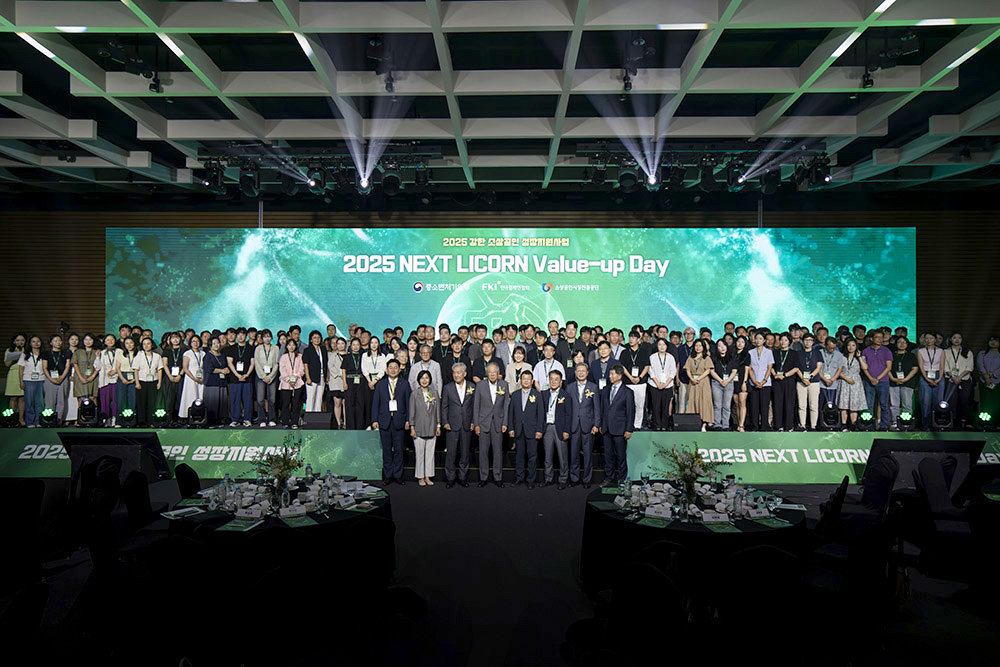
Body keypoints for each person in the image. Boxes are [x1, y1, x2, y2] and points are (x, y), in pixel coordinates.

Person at [372, 358, 411, 485]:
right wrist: (374, 420)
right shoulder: (380, 384)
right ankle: (388, 475)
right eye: (391, 367)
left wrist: (408, 420)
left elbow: (408, 404)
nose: (393, 370)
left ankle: (398, 475)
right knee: (387, 450)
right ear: (386, 370)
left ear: (399, 370)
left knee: (399, 450)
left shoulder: (405, 384)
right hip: (384, 421)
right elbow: (375, 403)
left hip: (399, 421)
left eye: (396, 367)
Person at [472, 362, 509, 487]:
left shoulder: (504, 384)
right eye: (490, 372)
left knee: (498, 451)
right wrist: (476, 424)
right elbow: (476, 406)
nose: (492, 374)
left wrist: (505, 422)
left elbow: (506, 405)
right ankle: (483, 477)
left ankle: (498, 477)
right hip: (483, 423)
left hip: (498, 422)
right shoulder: (480, 385)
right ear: (486, 374)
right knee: (483, 451)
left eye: (494, 372)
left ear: (498, 373)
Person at [441, 362, 476, 487]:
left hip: (467, 424)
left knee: (465, 453)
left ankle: (462, 477)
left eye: (459, 372)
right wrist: (445, 422)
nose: (456, 375)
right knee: (451, 453)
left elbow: (474, 406)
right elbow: (444, 406)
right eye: (454, 373)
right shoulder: (447, 387)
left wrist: (473, 422)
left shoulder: (472, 386)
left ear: (464, 374)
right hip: (452, 425)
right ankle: (450, 478)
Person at [507, 369, 543, 487]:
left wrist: (539, 430)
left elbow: (540, 414)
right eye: (524, 379)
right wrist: (511, 428)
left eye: (528, 379)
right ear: (521, 380)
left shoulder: (537, 395)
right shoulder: (515, 395)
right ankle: (519, 477)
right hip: (518, 430)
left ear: (532, 381)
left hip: (532, 430)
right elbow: (511, 413)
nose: (526, 381)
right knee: (519, 455)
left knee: (532, 456)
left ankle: (531, 480)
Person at [568, 362, 601, 487]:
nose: (581, 373)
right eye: (578, 371)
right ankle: (574, 478)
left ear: (587, 373)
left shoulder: (593, 387)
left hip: (588, 426)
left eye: (583, 371)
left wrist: (596, 424)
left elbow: (597, 408)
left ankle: (587, 479)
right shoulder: (569, 387)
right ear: (575, 373)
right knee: (574, 454)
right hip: (574, 425)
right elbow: (567, 409)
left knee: (587, 455)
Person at [600, 365, 634, 485]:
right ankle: (609, 478)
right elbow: (602, 409)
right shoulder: (605, 390)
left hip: (620, 429)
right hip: (606, 429)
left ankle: (621, 479)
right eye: (609, 374)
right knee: (608, 457)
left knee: (620, 457)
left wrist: (629, 429)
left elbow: (630, 412)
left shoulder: (628, 392)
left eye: (612, 374)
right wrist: (601, 424)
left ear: (619, 376)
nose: (610, 376)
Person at [409, 370, 441, 486]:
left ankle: (428, 476)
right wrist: (412, 428)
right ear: (418, 380)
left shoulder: (434, 393)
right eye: (422, 378)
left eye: (426, 378)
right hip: (419, 428)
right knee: (420, 454)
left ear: (430, 379)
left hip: (432, 427)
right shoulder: (414, 394)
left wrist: (438, 425)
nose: (424, 380)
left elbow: (437, 411)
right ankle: (420, 477)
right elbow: (412, 412)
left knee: (430, 455)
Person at [861, 330, 892, 430]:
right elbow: (864, 367)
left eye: (881, 337)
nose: (879, 339)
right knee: (868, 405)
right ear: (871, 339)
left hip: (883, 382)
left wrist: (878, 378)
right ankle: (868, 425)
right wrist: (871, 378)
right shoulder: (866, 351)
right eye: (877, 337)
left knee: (884, 405)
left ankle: (884, 426)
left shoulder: (886, 351)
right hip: (869, 381)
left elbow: (888, 367)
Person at [223, 328, 254, 426]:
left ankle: (247, 419)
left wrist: (247, 374)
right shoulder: (231, 348)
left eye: (243, 334)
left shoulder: (251, 348)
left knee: (248, 400)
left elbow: (252, 363)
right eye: (239, 335)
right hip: (234, 378)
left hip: (247, 378)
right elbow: (230, 363)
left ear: (246, 336)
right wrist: (237, 375)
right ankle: (235, 419)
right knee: (235, 399)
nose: (240, 337)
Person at [943, 331, 974, 428]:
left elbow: (969, 367)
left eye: (959, 338)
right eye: (954, 338)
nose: (957, 340)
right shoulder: (946, 351)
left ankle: (965, 421)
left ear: (962, 339)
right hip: (950, 379)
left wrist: (959, 377)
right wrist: (953, 377)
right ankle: (953, 421)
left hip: (964, 379)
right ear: (950, 339)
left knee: (964, 400)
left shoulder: (968, 351)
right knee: (952, 401)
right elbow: (945, 367)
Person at [887, 335, 918, 428]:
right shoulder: (891, 355)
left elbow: (915, 369)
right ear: (896, 344)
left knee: (907, 405)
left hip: (908, 383)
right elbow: (887, 368)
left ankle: (906, 423)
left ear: (907, 344)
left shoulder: (911, 355)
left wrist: (905, 379)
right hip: (893, 383)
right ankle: (895, 422)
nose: (902, 344)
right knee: (894, 404)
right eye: (899, 342)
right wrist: (893, 379)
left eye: (904, 342)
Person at [621, 330, 650, 431]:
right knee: (627, 405)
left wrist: (639, 378)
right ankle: (628, 424)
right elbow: (622, 367)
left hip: (640, 383)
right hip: (628, 382)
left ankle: (637, 425)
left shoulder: (643, 352)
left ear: (638, 340)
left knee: (640, 405)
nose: (631, 339)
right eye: (630, 337)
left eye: (633, 338)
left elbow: (647, 366)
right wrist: (631, 378)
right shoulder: (624, 352)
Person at [683, 339, 715, 429]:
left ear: (703, 347)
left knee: (704, 401)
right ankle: (693, 423)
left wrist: (699, 379)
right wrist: (692, 379)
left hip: (703, 382)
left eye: (700, 346)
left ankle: (704, 424)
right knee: (692, 401)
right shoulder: (690, 358)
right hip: (693, 382)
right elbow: (687, 369)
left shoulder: (706, 358)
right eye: (696, 346)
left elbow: (708, 370)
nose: (698, 348)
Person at [647, 337, 677, 431]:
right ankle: (656, 425)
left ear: (667, 346)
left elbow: (673, 371)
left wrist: (665, 384)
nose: (662, 346)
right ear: (657, 346)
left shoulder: (671, 357)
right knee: (655, 406)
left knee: (665, 406)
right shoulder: (652, 357)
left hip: (667, 385)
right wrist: (657, 383)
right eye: (659, 344)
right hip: (654, 385)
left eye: (664, 344)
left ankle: (664, 425)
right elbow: (650, 371)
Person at [917, 332, 945, 429]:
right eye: (927, 338)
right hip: (925, 375)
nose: (929, 340)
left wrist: (939, 379)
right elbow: (921, 367)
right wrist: (927, 379)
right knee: (925, 402)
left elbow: (942, 366)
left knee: (938, 401)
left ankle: (937, 424)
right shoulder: (921, 351)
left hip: (938, 375)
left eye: (931, 338)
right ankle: (926, 426)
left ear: (935, 339)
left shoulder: (941, 351)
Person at [41, 334, 71, 425]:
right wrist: (51, 379)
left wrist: (62, 377)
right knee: (50, 401)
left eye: (59, 341)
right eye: (55, 341)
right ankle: (49, 420)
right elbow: (44, 368)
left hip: (63, 378)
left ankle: (58, 421)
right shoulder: (46, 353)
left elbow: (67, 366)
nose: (58, 343)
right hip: (50, 379)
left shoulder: (66, 352)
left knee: (61, 401)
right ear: (51, 343)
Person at [132, 336, 162, 427]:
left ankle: (151, 421)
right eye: (144, 344)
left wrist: (159, 382)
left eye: (148, 344)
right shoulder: (139, 355)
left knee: (152, 402)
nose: (146, 346)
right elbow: (136, 370)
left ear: (152, 345)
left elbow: (159, 370)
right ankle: (141, 421)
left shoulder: (157, 356)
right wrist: (137, 382)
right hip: (142, 381)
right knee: (141, 402)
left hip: (153, 381)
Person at [796, 333, 823, 430]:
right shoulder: (798, 353)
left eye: (810, 340)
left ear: (813, 342)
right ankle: (802, 425)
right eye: (806, 340)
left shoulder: (817, 353)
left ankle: (813, 426)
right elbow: (796, 368)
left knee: (813, 405)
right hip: (801, 381)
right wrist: (803, 378)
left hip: (814, 382)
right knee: (801, 405)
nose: (808, 342)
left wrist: (810, 377)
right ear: (803, 341)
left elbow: (818, 367)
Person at [747, 333, 774, 431]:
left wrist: (764, 381)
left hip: (765, 383)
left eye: (760, 339)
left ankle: (764, 426)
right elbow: (749, 368)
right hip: (753, 382)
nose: (758, 340)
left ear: (764, 341)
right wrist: (754, 381)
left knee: (764, 406)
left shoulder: (768, 352)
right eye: (756, 338)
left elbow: (769, 368)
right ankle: (754, 426)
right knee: (754, 406)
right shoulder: (750, 352)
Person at [838, 339, 867, 428]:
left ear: (856, 347)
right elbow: (838, 371)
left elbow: (865, 368)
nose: (851, 347)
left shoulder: (860, 358)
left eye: (853, 345)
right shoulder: (842, 357)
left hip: (855, 383)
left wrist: (859, 357)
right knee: (844, 404)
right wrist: (846, 379)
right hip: (844, 381)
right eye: (849, 345)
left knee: (854, 404)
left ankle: (853, 424)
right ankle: (843, 425)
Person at [254, 329, 280, 427]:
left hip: (272, 375)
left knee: (272, 399)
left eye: (268, 336)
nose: (267, 339)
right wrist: (263, 376)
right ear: (262, 338)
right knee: (260, 399)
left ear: (271, 337)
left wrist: (270, 376)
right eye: (265, 337)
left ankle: (272, 419)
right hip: (260, 375)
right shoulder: (258, 348)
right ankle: (262, 419)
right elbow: (257, 363)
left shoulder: (276, 348)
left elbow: (277, 364)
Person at [277, 338, 305, 429]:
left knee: (296, 404)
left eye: (293, 345)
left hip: (297, 383)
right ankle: (285, 422)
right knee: (285, 403)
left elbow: (302, 369)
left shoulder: (300, 356)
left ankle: (294, 422)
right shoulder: (283, 357)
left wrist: (295, 378)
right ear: (286, 346)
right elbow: (282, 369)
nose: (291, 347)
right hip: (286, 383)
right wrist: (289, 379)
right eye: (289, 345)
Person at [709, 338, 736, 430]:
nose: (722, 347)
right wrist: (721, 381)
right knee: (717, 405)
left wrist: (727, 381)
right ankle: (717, 424)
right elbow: (712, 371)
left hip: (729, 383)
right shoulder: (713, 358)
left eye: (724, 345)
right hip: (716, 383)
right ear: (717, 348)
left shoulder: (732, 357)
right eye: (719, 346)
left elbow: (734, 371)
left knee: (727, 406)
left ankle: (725, 425)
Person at [18, 335, 45, 427]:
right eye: (33, 341)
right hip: (28, 380)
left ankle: (38, 421)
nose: (36, 343)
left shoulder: (44, 354)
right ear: (30, 343)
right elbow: (21, 369)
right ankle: (30, 422)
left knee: (40, 402)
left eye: (38, 341)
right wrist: (21, 381)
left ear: (41, 343)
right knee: (29, 402)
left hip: (41, 380)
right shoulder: (25, 354)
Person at [202, 338, 229, 426]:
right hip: (211, 383)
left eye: (217, 343)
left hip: (221, 382)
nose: (216, 345)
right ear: (210, 345)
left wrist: (226, 369)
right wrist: (222, 370)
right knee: (212, 403)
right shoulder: (208, 356)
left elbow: (225, 365)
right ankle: (211, 422)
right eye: (214, 343)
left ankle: (219, 420)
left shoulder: (222, 355)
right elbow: (209, 369)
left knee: (221, 402)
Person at [179, 334, 205, 421]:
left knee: (200, 397)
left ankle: (200, 416)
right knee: (191, 396)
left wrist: (201, 379)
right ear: (190, 343)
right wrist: (194, 379)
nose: (195, 343)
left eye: (197, 341)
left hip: (201, 379)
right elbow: (185, 368)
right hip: (191, 379)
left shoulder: (203, 353)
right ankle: (188, 416)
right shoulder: (187, 353)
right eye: (193, 341)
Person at [161, 332, 185, 425]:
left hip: (181, 376)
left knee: (180, 397)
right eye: (173, 338)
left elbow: (185, 365)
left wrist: (180, 375)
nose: (175, 340)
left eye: (177, 338)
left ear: (180, 339)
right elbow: (165, 364)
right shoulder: (167, 351)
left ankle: (180, 418)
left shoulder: (184, 350)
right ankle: (169, 418)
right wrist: (170, 376)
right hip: (169, 377)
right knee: (170, 397)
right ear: (169, 340)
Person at [342, 337, 366, 429]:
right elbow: (343, 370)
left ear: (360, 346)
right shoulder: (347, 357)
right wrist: (344, 383)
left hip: (361, 382)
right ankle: (350, 426)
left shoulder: (363, 356)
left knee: (360, 403)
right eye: (353, 345)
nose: (355, 347)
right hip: (349, 381)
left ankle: (360, 426)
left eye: (357, 345)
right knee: (349, 404)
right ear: (351, 346)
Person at [95, 334, 118, 426]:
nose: (110, 341)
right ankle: (106, 418)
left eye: (112, 339)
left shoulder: (119, 351)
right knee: (105, 401)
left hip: (116, 379)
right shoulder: (102, 352)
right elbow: (97, 367)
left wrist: (115, 370)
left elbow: (122, 363)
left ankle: (115, 418)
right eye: (108, 340)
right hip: (105, 380)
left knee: (116, 400)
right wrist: (97, 357)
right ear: (104, 342)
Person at [301, 330, 326, 414]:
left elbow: (325, 364)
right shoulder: (307, 350)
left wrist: (327, 376)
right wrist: (308, 378)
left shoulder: (323, 349)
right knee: (311, 398)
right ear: (311, 340)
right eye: (314, 338)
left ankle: (317, 417)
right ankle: (309, 417)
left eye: (318, 337)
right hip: (311, 377)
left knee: (319, 398)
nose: (317, 339)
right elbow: (305, 365)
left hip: (322, 376)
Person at [71, 333, 99, 407]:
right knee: (81, 399)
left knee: (93, 398)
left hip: (93, 377)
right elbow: (75, 364)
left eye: (90, 339)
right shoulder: (77, 352)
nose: (88, 341)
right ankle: (81, 414)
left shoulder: (97, 352)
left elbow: (99, 366)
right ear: (83, 341)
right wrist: (80, 377)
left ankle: (94, 414)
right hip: (80, 377)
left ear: (93, 341)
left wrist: (92, 376)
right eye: (86, 339)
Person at [5, 333, 26, 426]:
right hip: (13, 374)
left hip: (24, 374)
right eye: (17, 340)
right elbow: (7, 364)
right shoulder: (9, 350)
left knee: (22, 398)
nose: (20, 342)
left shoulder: (27, 350)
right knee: (13, 398)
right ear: (14, 342)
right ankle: (12, 418)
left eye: (22, 340)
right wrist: (15, 355)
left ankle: (21, 419)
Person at [819, 335, 845, 410]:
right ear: (825, 345)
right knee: (819, 406)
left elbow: (840, 369)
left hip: (833, 384)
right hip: (821, 384)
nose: (832, 349)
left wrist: (832, 380)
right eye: (830, 348)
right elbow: (817, 369)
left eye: (834, 348)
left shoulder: (839, 355)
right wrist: (825, 379)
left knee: (831, 406)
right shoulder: (819, 353)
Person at [977, 336, 1000, 419]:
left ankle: (995, 421)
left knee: (996, 402)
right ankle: (984, 421)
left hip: (997, 381)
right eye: (991, 340)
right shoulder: (982, 353)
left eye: (996, 340)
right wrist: (986, 376)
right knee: (984, 401)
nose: (993, 342)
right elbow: (980, 365)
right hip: (983, 381)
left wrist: (992, 374)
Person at [676, 327, 696, 416]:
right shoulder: (680, 348)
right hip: (682, 378)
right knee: (682, 401)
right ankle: (681, 420)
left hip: (695, 379)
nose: (688, 335)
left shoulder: (697, 347)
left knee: (694, 401)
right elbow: (678, 364)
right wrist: (677, 378)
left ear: (694, 335)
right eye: (686, 334)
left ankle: (694, 421)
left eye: (690, 333)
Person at [327, 337, 346, 429]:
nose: (340, 345)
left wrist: (345, 375)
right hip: (336, 381)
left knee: (345, 403)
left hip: (346, 382)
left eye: (342, 343)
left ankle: (346, 422)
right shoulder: (333, 355)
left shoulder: (349, 355)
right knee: (337, 403)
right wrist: (340, 374)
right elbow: (330, 366)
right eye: (338, 344)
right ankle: (338, 422)